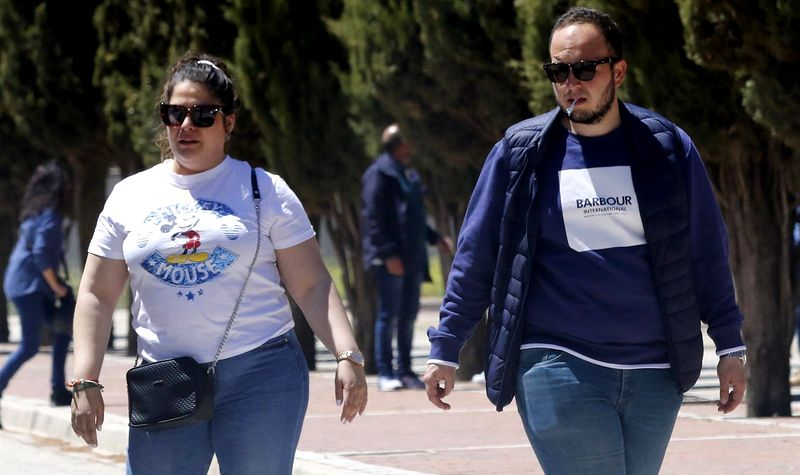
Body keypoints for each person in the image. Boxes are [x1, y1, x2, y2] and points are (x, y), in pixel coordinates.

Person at [423, 7, 746, 474]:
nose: (571, 83)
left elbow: (706, 252)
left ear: (618, 71)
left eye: (585, 69)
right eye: (558, 72)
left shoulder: (667, 147)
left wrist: (730, 346)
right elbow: (476, 256)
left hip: (656, 372)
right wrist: (446, 345)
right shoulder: (521, 153)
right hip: (557, 362)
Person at [69, 52, 367, 475]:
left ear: (228, 122)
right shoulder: (130, 195)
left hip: (261, 373)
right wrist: (85, 378)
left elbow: (312, 285)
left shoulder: (265, 191)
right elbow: (97, 293)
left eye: (203, 114)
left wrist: (347, 354)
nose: (186, 125)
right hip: (165, 378)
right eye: (175, 113)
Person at [361, 124, 452, 391]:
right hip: (391, 259)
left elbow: (415, 216)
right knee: (388, 314)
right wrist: (388, 254)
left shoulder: (407, 173)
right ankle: (385, 372)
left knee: (408, 315)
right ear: (399, 144)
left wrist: (435, 238)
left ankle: (405, 370)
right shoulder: (379, 173)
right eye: (408, 140)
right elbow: (373, 218)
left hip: (413, 257)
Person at [0, 162, 73, 409]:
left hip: (24, 284)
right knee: (30, 346)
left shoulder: (34, 214)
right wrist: (58, 287)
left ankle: (58, 389)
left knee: (63, 330)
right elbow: (41, 253)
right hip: (29, 287)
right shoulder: (50, 216)